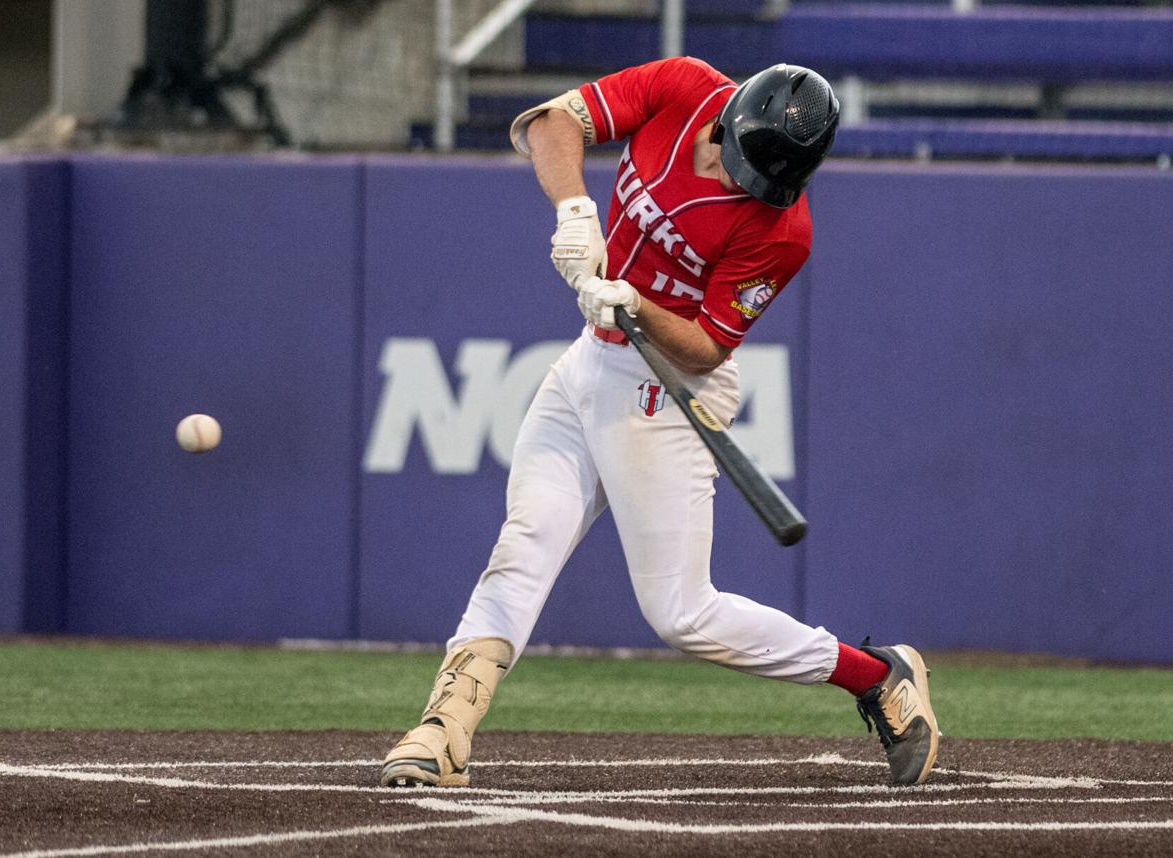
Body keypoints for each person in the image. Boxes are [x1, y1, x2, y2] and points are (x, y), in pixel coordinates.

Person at [380, 57, 939, 789]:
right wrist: (576, 212)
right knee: (525, 545)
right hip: (588, 365)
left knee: (681, 614)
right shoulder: (682, 86)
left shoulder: (784, 229)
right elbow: (555, 122)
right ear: (731, 117)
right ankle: (444, 729)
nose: (747, 183)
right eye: (742, 163)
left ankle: (877, 676)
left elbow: (709, 343)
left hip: (668, 391)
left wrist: (637, 305)